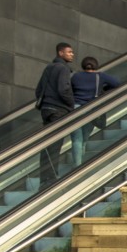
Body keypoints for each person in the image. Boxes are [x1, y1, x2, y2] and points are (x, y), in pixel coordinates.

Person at [34, 42, 76, 183]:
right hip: (59, 110)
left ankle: (43, 177)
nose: (72, 54)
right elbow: (63, 89)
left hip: (46, 110)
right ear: (60, 53)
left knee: (46, 145)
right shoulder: (63, 68)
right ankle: (51, 177)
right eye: (69, 52)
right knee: (55, 145)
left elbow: (38, 90)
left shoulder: (49, 68)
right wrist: (71, 105)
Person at [70, 57, 121, 166]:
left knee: (76, 140)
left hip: (76, 109)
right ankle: (80, 164)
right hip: (91, 110)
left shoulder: (76, 76)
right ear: (96, 66)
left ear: (83, 65)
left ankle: (76, 166)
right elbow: (116, 83)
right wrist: (103, 87)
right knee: (84, 139)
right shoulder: (99, 76)